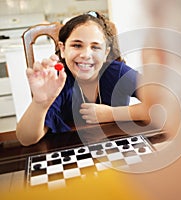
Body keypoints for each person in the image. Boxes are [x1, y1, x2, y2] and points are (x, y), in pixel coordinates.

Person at [16, 11, 148, 146]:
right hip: (72, 153)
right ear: (62, 49)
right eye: (77, 45)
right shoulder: (57, 82)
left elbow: (164, 105)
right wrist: (40, 103)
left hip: (118, 150)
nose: (86, 54)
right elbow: (26, 139)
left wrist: (112, 114)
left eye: (95, 47)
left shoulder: (118, 72)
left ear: (105, 53)